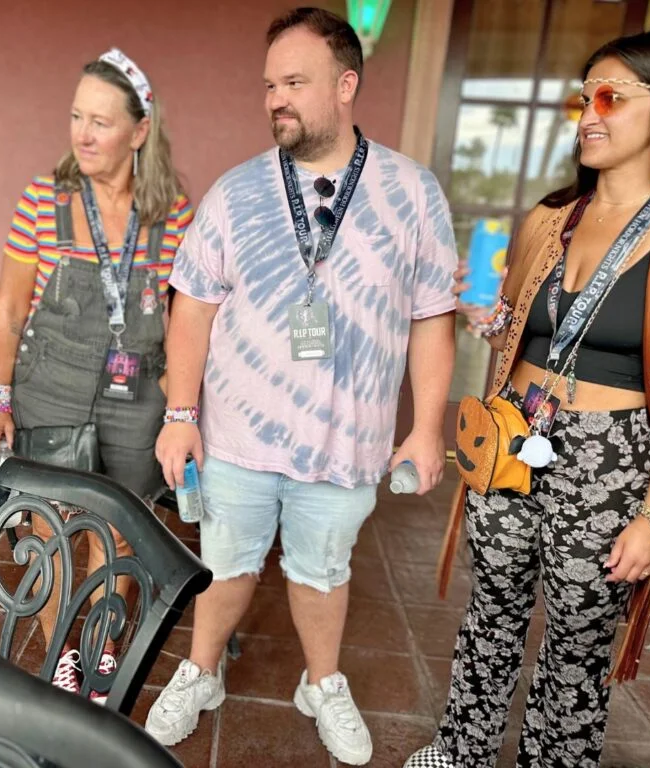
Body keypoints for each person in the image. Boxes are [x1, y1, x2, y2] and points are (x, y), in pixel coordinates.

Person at [143, 8, 457, 765]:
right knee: (224, 562)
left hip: (347, 440)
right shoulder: (234, 193)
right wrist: (181, 414)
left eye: (294, 82)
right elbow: (193, 312)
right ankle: (201, 672)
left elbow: (432, 322)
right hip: (239, 435)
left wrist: (425, 428)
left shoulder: (412, 193)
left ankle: (322, 682)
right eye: (268, 84)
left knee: (323, 571)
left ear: (346, 84)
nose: (274, 98)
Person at [405, 30, 650, 768]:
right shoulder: (549, 219)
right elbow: (520, 337)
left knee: (578, 642)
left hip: (610, 458)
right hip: (515, 434)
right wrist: (497, 323)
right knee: (489, 612)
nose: (588, 113)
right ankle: (460, 751)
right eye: (581, 98)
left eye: (610, 97)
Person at [0, 48, 193, 700]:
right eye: (77, 116)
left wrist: (181, 409)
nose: (84, 133)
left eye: (101, 120)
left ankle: (101, 648)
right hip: (52, 385)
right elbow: (10, 307)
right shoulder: (44, 199)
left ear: (140, 130)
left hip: (138, 392)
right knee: (49, 527)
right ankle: (59, 653)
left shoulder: (173, 211)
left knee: (122, 529)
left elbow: (185, 319)